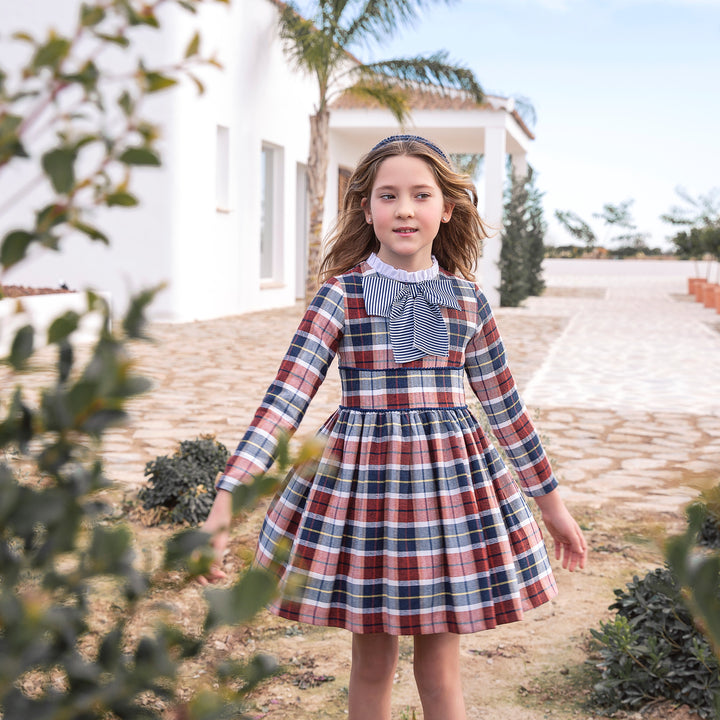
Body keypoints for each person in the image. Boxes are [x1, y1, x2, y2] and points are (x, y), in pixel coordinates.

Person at [199, 135, 587, 720]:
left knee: (439, 671)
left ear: (447, 209)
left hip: (451, 499)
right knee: (372, 666)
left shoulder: (467, 300)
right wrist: (227, 499)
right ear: (366, 208)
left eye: (420, 194)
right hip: (363, 499)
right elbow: (284, 402)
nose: (404, 208)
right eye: (388, 195)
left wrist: (551, 504)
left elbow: (506, 408)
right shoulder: (340, 294)